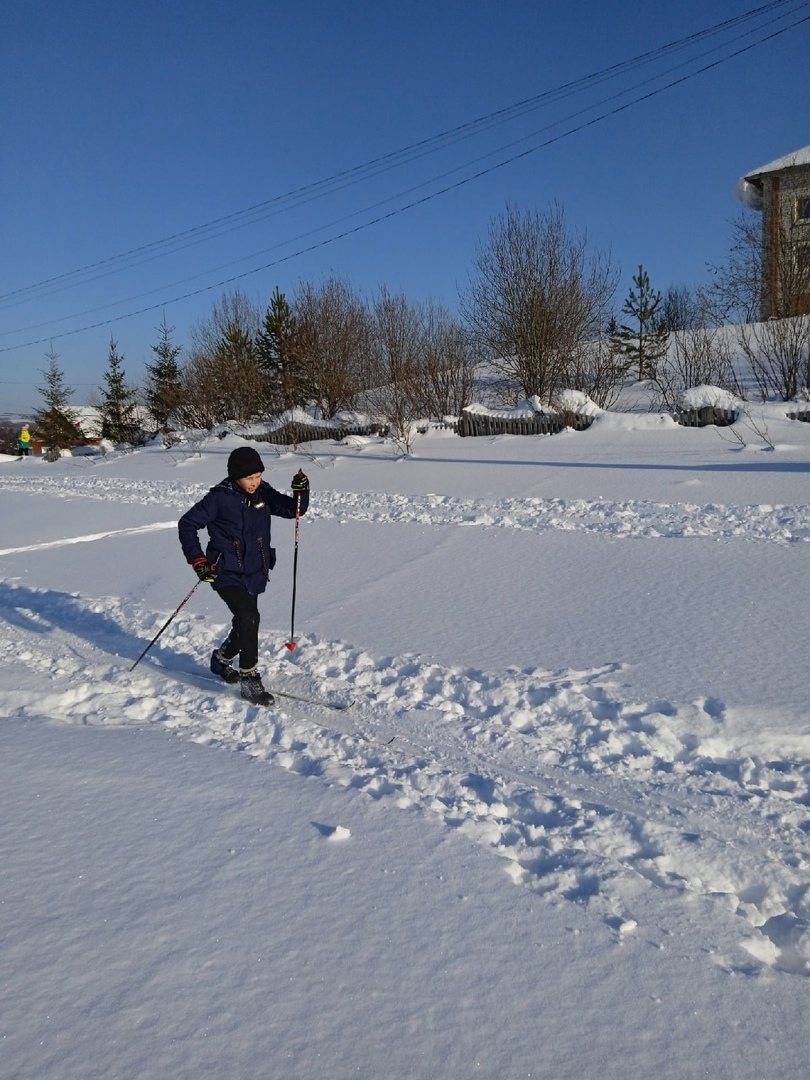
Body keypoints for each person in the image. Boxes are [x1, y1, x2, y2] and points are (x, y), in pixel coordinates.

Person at [178, 446, 309, 706]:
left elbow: (293, 510)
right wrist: (198, 560)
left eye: (258, 476)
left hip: (254, 570)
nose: (255, 482)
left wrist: (301, 491)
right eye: (250, 478)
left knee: (244, 622)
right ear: (236, 476)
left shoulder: (263, 492)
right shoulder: (219, 498)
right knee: (249, 616)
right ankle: (249, 679)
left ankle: (221, 659)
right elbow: (187, 524)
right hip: (224, 571)